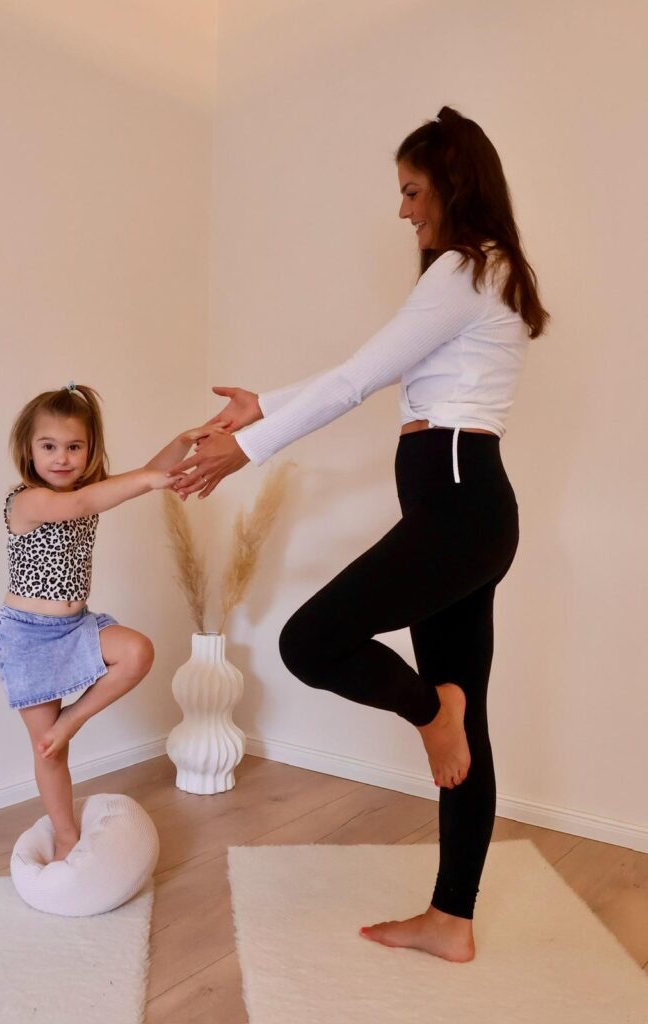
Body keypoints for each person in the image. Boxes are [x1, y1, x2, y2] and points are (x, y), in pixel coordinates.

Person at [169, 106, 549, 962]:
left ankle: (429, 713)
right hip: (466, 509)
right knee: (464, 722)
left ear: (451, 184)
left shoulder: (461, 267)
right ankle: (451, 921)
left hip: (457, 506)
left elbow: (355, 380)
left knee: (311, 641)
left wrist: (246, 447)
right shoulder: (490, 272)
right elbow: (372, 365)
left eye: (412, 191)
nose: (404, 211)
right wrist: (261, 403)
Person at [0, 382, 216, 862]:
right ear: (28, 450)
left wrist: (183, 441)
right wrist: (148, 482)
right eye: (48, 446)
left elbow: (147, 473)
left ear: (90, 450)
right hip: (29, 638)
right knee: (48, 749)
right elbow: (82, 505)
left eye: (74, 446)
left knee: (137, 651)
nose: (61, 458)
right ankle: (66, 835)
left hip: (75, 627)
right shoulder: (29, 499)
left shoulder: (88, 490)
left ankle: (71, 721)